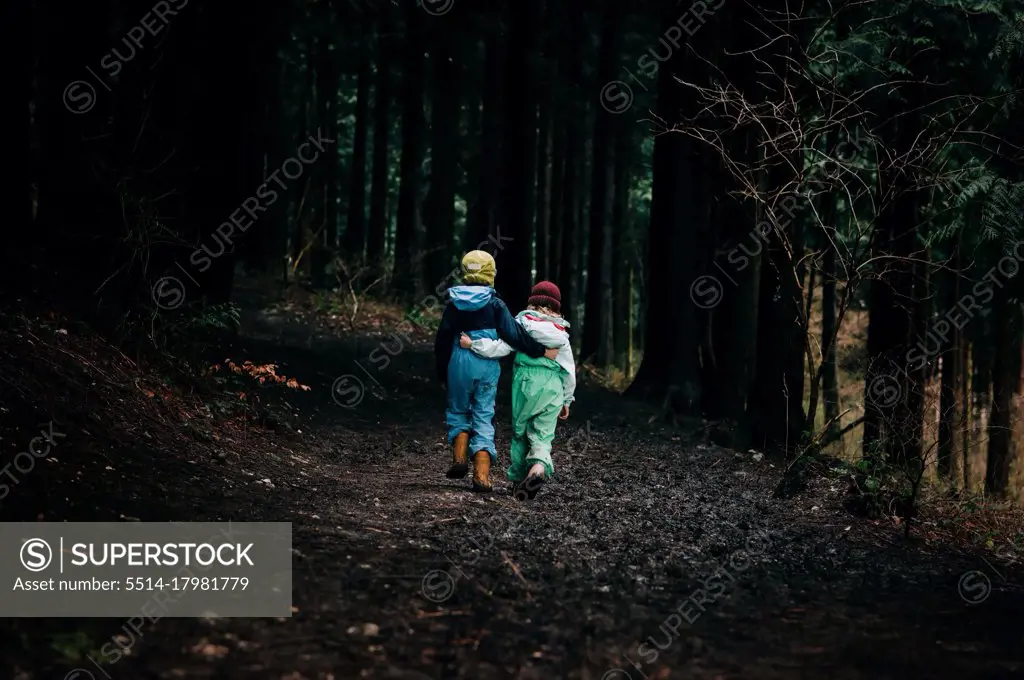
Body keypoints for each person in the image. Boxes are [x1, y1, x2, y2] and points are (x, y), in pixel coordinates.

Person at [433, 251, 558, 492]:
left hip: (458, 362)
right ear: (491, 274)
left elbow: (442, 340)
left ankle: (459, 459)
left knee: (458, 409)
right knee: (483, 413)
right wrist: (539, 350)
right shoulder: (495, 303)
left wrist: (442, 372)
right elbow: (514, 335)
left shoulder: (453, 303)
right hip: (486, 366)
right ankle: (482, 475)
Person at [459, 281, 576, 500]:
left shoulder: (521, 323)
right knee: (542, 436)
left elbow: (499, 347)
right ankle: (537, 470)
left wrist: (472, 344)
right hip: (553, 387)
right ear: (556, 307)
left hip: (526, 383)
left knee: (521, 433)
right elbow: (569, 370)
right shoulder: (561, 334)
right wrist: (567, 399)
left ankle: (517, 481)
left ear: (532, 301)